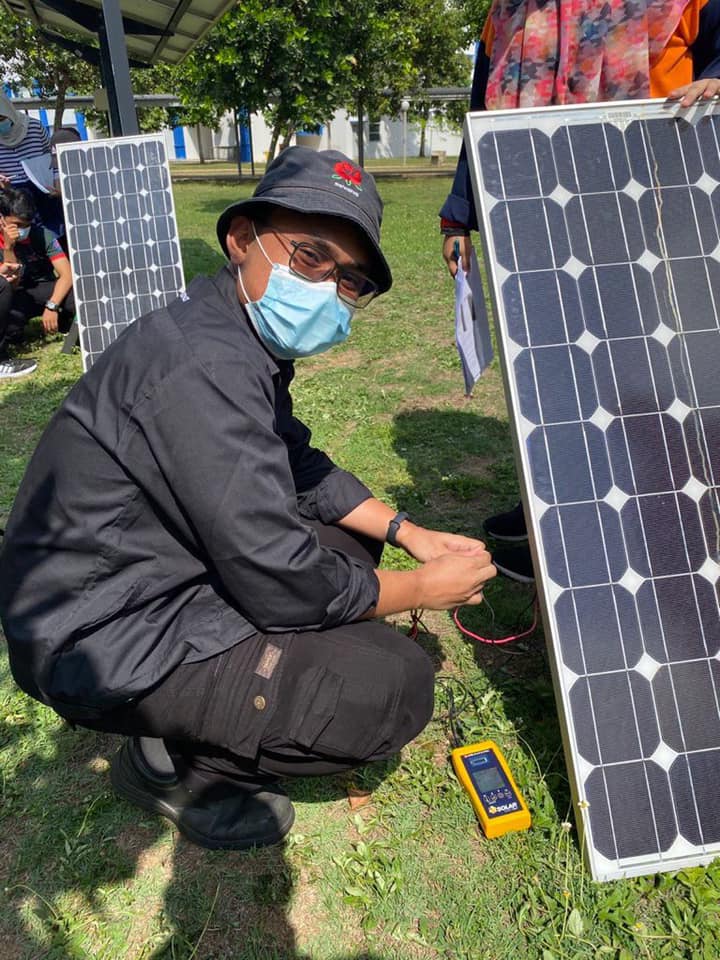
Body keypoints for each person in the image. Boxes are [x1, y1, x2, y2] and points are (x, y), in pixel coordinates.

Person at [0, 147, 497, 851]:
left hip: (146, 578)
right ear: (242, 239)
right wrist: (421, 589)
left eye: (349, 280)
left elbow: (297, 464)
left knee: (353, 539)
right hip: (102, 637)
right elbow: (282, 576)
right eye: (311, 257)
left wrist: (407, 532)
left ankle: (208, 712)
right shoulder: (204, 363)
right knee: (392, 687)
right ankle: (176, 768)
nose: (328, 289)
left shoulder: (229, 331)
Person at [439, 0, 720, 582]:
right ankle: (552, 507)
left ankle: (623, 531)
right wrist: (458, 213)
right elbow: (479, 111)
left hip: (645, 211)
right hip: (530, 210)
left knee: (631, 374)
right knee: (551, 375)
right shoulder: (507, 11)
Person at [0, 186, 74, 379]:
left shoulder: (43, 235)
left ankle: (71, 331)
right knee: (12, 329)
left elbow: (66, 274)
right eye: (16, 224)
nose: (22, 230)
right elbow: (10, 284)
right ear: (2, 219)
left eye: (27, 225)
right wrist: (9, 248)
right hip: (14, 294)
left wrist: (52, 305)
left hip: (43, 288)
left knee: (76, 298)